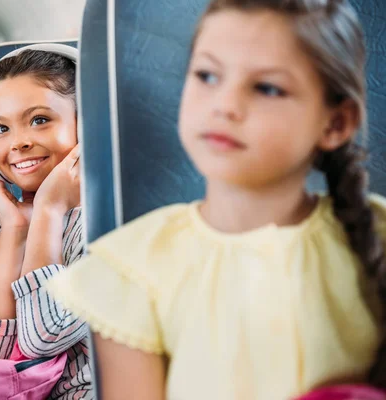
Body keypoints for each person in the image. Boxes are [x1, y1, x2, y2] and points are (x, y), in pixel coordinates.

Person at [47, 0, 386, 399]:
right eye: (207, 75)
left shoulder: (375, 232)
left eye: (266, 88)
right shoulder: (131, 270)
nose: (225, 105)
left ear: (335, 123)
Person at [0, 45, 93, 399]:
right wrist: (14, 233)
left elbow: (44, 336)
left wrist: (48, 210)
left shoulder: (114, 216)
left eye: (39, 120)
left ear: (87, 123)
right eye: (1, 128)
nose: (19, 142)